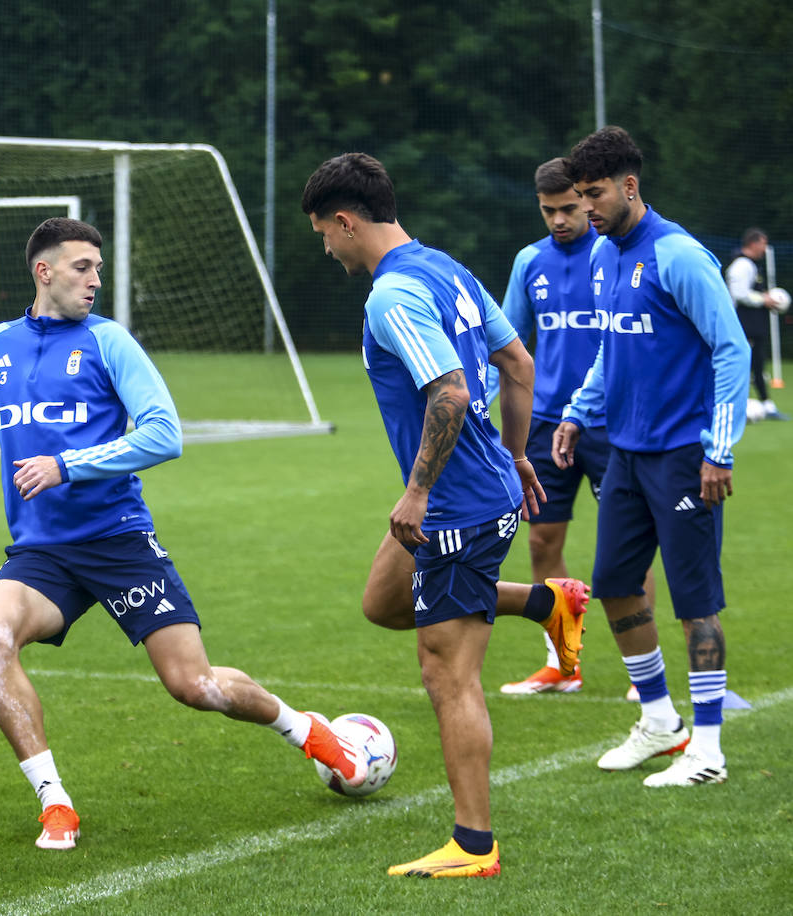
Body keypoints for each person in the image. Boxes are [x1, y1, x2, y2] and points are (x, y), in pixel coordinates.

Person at [0, 217, 367, 852]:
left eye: (99, 269)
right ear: (43, 271)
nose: (95, 281)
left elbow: (165, 433)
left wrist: (67, 465)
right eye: (83, 268)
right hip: (42, 554)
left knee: (195, 685)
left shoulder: (110, 343)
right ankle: (55, 802)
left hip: (119, 542)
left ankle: (307, 732)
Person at [302, 152, 583, 878]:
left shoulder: (389, 296)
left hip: (455, 506)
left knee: (446, 672)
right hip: (484, 488)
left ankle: (474, 845)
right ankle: (548, 603)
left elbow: (452, 394)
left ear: (344, 219)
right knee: (385, 601)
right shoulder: (447, 268)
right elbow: (517, 364)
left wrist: (420, 490)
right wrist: (517, 456)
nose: (324, 247)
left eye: (322, 234)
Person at [554, 126, 749, 787]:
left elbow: (732, 349)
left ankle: (710, 750)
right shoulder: (605, 256)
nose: (587, 209)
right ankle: (662, 722)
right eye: (580, 196)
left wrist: (718, 450)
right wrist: (580, 412)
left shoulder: (680, 256)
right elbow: (613, 347)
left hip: (685, 457)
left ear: (629, 186)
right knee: (612, 583)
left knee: (696, 603)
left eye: (596, 194)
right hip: (627, 456)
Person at [496, 158, 656, 696]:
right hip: (544, 424)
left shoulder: (613, 254)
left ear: (587, 201)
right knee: (542, 540)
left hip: (612, 423)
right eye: (548, 211)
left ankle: (644, 671)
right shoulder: (529, 261)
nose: (560, 219)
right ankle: (564, 665)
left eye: (569, 208)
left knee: (631, 544)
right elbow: (510, 343)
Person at [725, 227, 786, 421]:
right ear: (753, 243)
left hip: (753, 324)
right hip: (744, 323)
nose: (765, 248)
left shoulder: (750, 264)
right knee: (747, 365)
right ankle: (743, 406)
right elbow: (739, 294)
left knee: (757, 364)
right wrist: (764, 299)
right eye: (763, 243)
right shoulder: (742, 265)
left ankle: (766, 405)